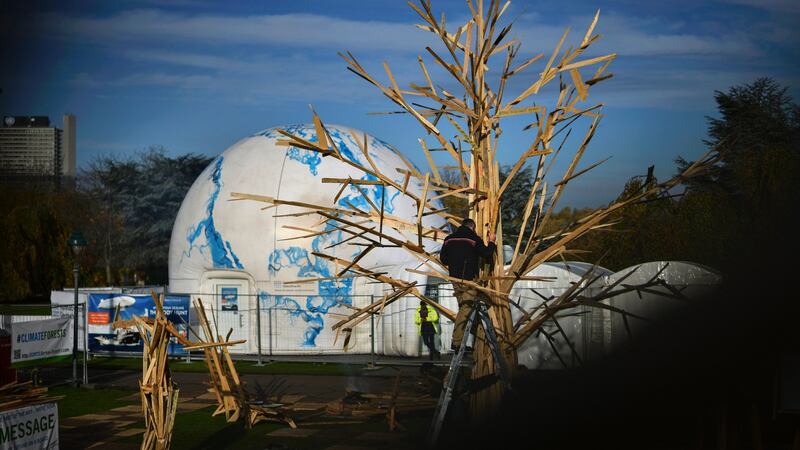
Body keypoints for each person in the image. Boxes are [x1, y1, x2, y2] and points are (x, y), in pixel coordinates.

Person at [439, 218, 496, 351]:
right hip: (469, 279)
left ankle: (472, 338)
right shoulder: (473, 238)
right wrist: (492, 241)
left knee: (465, 309)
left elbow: (443, 259)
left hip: (455, 280)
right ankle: (456, 342)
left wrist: (455, 259)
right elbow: (487, 253)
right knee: (466, 308)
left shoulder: (449, 239)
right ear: (472, 227)